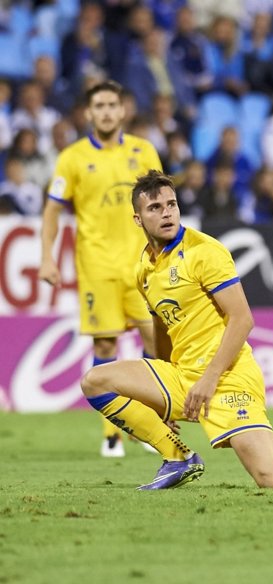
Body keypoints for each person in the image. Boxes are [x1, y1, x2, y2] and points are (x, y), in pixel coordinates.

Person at [80, 170, 273, 490]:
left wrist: (209, 380)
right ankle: (177, 457)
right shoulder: (144, 267)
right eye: (155, 208)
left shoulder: (204, 252)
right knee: (96, 382)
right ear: (138, 219)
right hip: (184, 376)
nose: (167, 212)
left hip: (227, 378)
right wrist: (160, 402)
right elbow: (162, 326)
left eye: (171, 204)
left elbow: (242, 320)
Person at [39, 80, 163, 458]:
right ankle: (113, 432)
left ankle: (152, 425)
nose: (107, 111)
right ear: (88, 113)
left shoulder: (144, 151)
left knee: (156, 344)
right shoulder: (73, 157)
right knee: (106, 345)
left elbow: (162, 204)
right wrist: (47, 257)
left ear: (123, 110)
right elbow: (53, 209)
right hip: (97, 268)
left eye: (112, 104)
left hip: (142, 268)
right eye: (99, 105)